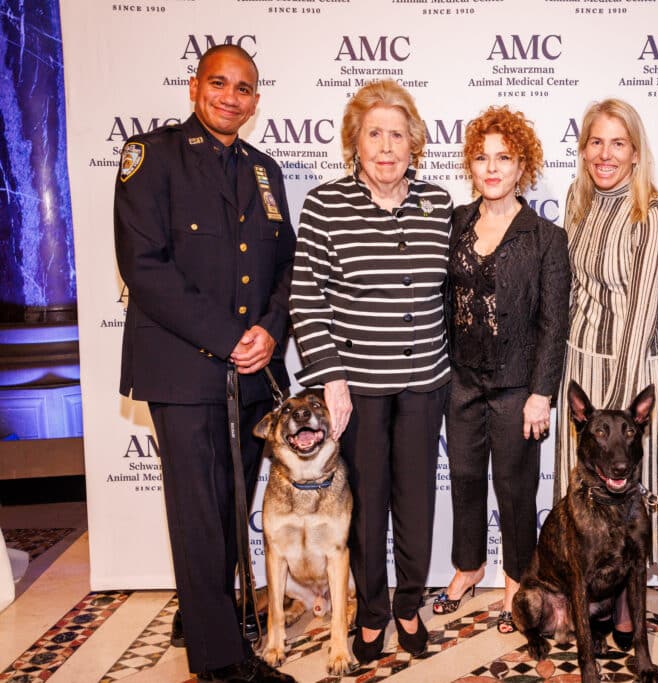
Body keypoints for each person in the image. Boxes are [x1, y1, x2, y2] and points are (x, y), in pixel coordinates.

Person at [114, 44, 296, 683]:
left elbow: (285, 268)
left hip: (250, 372)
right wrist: (230, 336)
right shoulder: (152, 156)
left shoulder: (264, 169)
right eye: (219, 83)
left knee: (230, 504)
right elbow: (147, 268)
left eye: (244, 88)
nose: (230, 96)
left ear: (255, 100)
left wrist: (270, 332)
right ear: (195, 88)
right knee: (197, 508)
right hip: (184, 369)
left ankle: (201, 611)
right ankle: (220, 662)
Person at [289, 79, 452, 665]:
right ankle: (372, 611)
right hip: (354, 391)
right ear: (354, 142)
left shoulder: (438, 205)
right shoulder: (326, 204)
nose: (387, 146)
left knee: (415, 504)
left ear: (415, 143)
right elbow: (307, 297)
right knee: (365, 507)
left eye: (398, 134)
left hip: (424, 383)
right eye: (374, 133)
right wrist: (331, 377)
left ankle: (409, 606)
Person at [432, 106, 570, 634]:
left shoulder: (544, 237)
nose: (491, 168)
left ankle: (518, 580)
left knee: (515, 488)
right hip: (460, 382)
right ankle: (469, 567)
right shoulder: (454, 223)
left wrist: (543, 394)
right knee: (465, 481)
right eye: (481, 158)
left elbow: (553, 323)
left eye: (504, 158)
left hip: (518, 388)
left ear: (523, 167)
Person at [553, 98, 658, 645]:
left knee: (628, 494)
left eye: (618, 143)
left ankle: (628, 610)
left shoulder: (650, 210)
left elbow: (643, 306)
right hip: (580, 362)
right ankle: (592, 599)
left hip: (630, 369)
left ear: (635, 152)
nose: (605, 154)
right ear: (583, 150)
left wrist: (623, 410)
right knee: (584, 494)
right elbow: (572, 293)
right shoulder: (576, 204)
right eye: (596, 142)